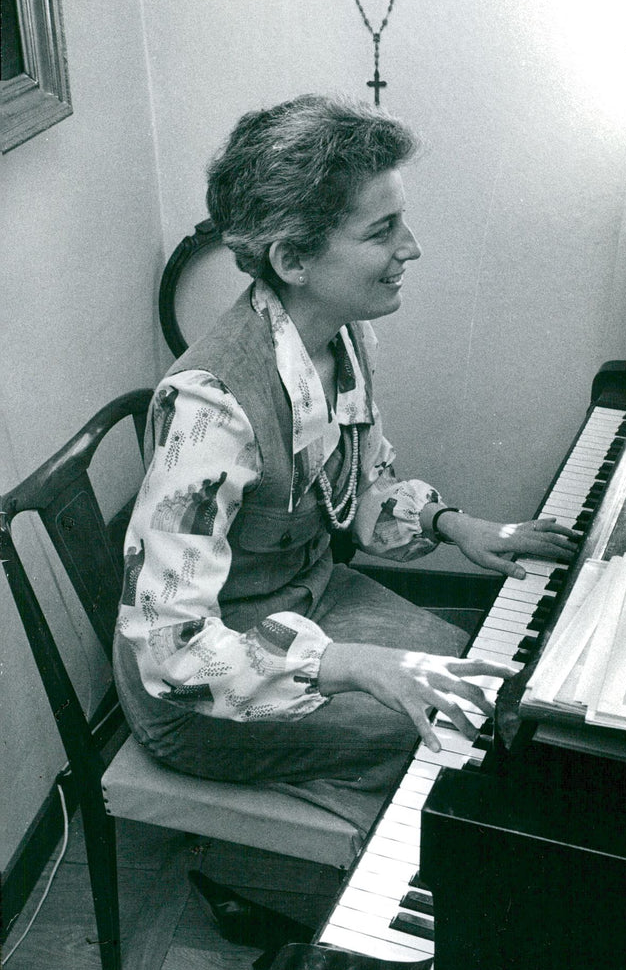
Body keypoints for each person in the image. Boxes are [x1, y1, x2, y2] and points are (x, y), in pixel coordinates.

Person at [113, 94, 578, 847]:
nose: (413, 248)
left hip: (310, 605)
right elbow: (170, 649)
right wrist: (360, 666)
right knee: (471, 726)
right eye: (382, 230)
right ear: (294, 259)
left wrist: (454, 525)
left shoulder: (341, 336)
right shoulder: (211, 406)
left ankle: (378, 820)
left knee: (491, 686)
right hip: (203, 691)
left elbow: (354, 496)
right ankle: (387, 888)